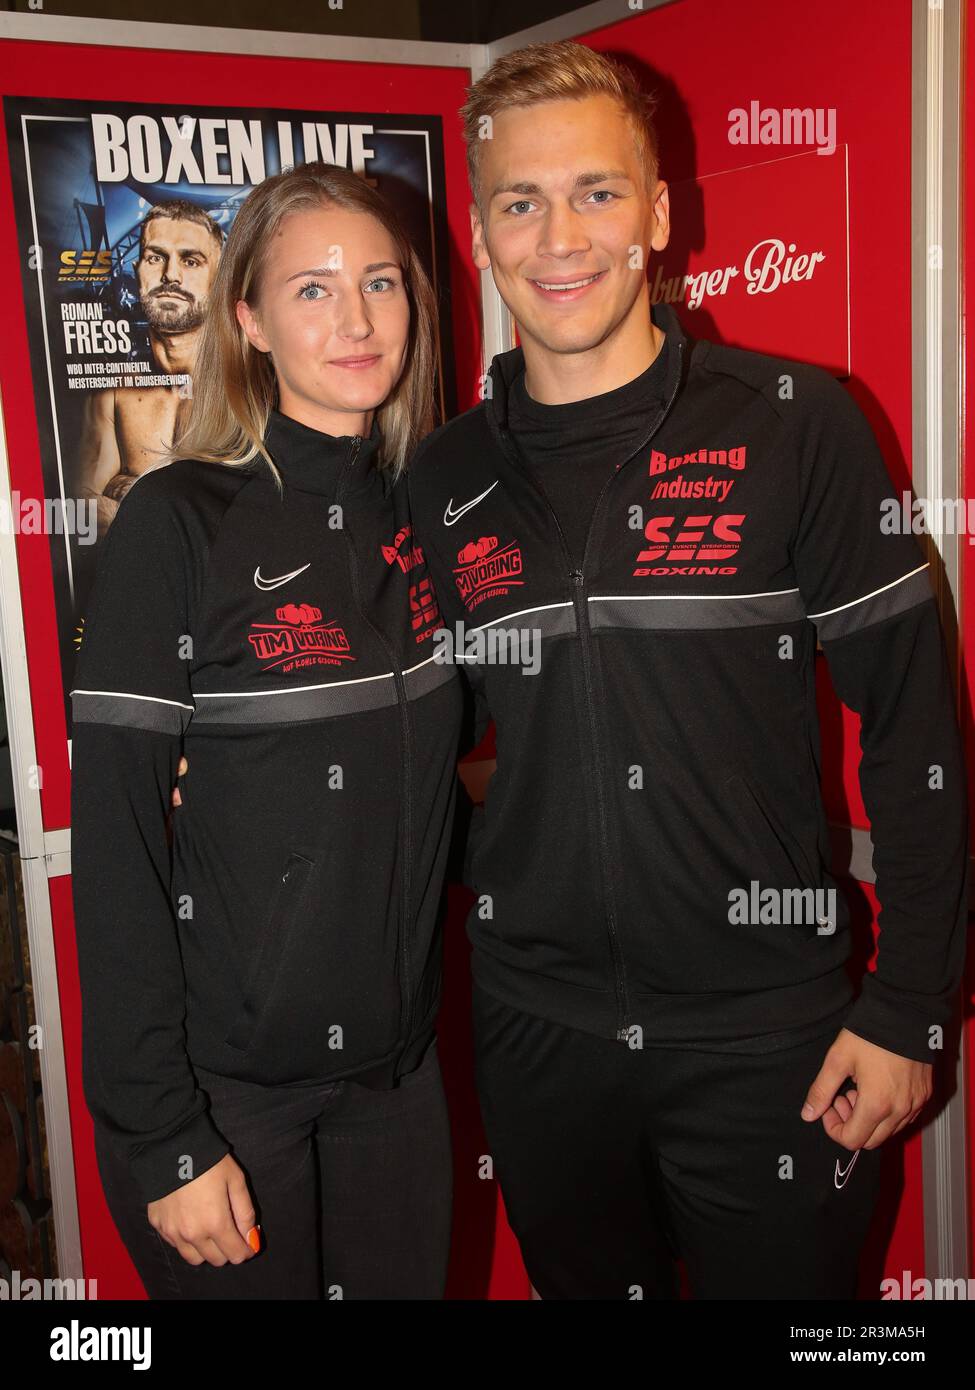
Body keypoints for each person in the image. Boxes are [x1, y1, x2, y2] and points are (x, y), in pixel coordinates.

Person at [406, 41, 970, 1299]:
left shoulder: (796, 422)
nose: (561, 236)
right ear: (481, 228)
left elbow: (918, 732)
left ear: (660, 213)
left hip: (771, 1037)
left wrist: (907, 1004)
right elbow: (427, 744)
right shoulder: (442, 478)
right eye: (520, 201)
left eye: (599, 192)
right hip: (538, 1035)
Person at [69, 162, 464, 1299]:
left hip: (397, 1079)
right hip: (229, 1098)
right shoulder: (178, 518)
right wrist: (161, 1133)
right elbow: (120, 844)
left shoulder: (429, 508)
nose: (355, 319)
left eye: (381, 283)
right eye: (312, 289)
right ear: (247, 318)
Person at [76, 201, 225, 540]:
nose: (170, 275)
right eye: (156, 257)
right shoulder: (115, 393)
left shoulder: (253, 389)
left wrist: (130, 492)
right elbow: (79, 505)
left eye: (191, 260)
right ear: (137, 269)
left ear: (220, 278)